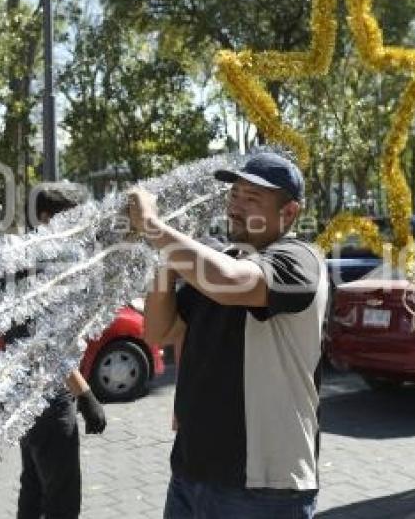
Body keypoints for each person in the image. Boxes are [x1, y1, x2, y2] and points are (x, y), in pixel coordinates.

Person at [128, 151, 327, 518]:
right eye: (234, 194)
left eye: (252, 199)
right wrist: (165, 259)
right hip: (191, 472)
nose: (236, 206)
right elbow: (158, 332)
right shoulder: (220, 258)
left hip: (263, 487)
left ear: (289, 213)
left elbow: (229, 282)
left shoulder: (300, 259)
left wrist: (155, 227)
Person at [8, 184, 107, 519]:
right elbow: (48, 342)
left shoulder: (33, 257)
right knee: (61, 498)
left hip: (27, 393)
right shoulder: (43, 268)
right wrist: (86, 395)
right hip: (48, 397)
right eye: (73, 216)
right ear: (47, 217)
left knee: (34, 486)